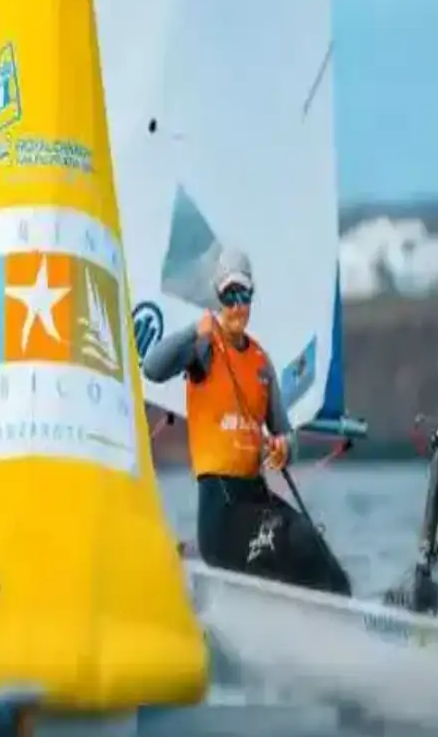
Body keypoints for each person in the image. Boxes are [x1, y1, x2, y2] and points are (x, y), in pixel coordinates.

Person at [140, 249, 351, 596]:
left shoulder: (260, 363)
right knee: (297, 540)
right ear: (218, 297)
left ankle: (355, 624)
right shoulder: (203, 348)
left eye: (243, 295)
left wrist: (286, 447)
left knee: (317, 551)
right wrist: (195, 330)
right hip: (221, 521)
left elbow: (286, 437)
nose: (237, 306)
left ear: (252, 296)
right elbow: (152, 367)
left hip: (256, 500)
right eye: (229, 296)